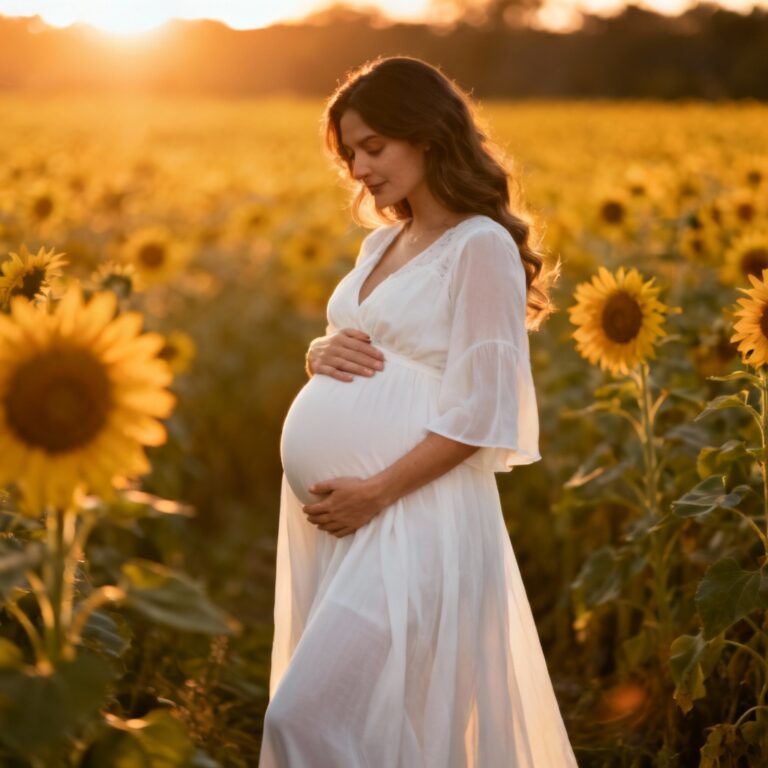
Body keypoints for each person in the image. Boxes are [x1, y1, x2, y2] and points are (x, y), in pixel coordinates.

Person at [259, 55, 577, 767]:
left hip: (412, 515)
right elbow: (378, 347)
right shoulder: (381, 243)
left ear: (426, 133)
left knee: (303, 719)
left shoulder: (482, 246)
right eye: (350, 155)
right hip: (354, 521)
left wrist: (375, 491)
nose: (361, 169)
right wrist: (319, 353)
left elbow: (484, 410)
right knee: (372, 722)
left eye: (374, 146)